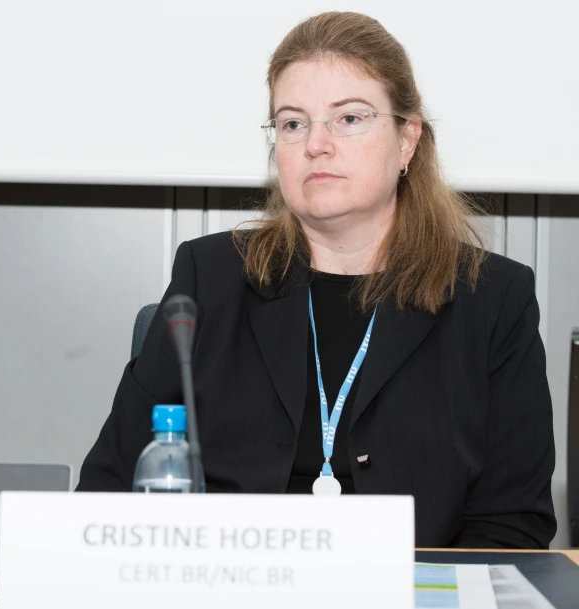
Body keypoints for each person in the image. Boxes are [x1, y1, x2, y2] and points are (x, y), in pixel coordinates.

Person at [77, 12, 556, 549]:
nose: (316, 144)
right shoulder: (208, 278)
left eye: (348, 118)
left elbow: (511, 527)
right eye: (293, 123)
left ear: (406, 140)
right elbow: (108, 487)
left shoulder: (492, 299)